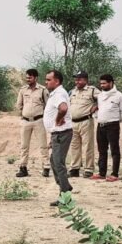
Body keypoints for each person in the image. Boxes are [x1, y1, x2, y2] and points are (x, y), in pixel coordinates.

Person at [44, 70, 73, 205]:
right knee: (54, 161)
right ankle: (64, 186)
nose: (46, 82)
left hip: (62, 133)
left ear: (57, 81)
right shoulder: (56, 93)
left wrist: (58, 119)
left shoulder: (59, 93)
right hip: (58, 133)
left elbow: (63, 108)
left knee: (58, 164)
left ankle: (65, 195)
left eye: (49, 80)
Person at [15, 68, 51, 178]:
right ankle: (23, 167)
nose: (28, 79)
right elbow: (19, 105)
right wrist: (23, 115)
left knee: (43, 145)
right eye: (27, 77)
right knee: (24, 146)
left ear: (35, 78)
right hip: (26, 121)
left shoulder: (42, 90)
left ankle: (46, 167)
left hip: (39, 120)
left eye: (30, 77)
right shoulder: (23, 90)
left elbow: (48, 105)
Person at [93, 74, 122, 181]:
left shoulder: (119, 96)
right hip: (100, 125)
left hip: (112, 125)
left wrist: (115, 120)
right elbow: (98, 109)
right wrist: (97, 116)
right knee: (102, 150)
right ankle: (102, 172)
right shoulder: (100, 96)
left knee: (114, 150)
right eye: (101, 83)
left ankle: (114, 174)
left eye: (104, 83)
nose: (102, 85)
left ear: (111, 83)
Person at [67, 71, 99, 178]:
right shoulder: (72, 92)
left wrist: (96, 106)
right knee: (74, 146)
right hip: (73, 122)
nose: (77, 81)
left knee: (87, 146)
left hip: (86, 121)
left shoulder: (92, 90)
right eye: (76, 79)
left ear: (86, 80)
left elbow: (104, 98)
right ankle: (74, 168)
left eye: (80, 79)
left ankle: (88, 169)